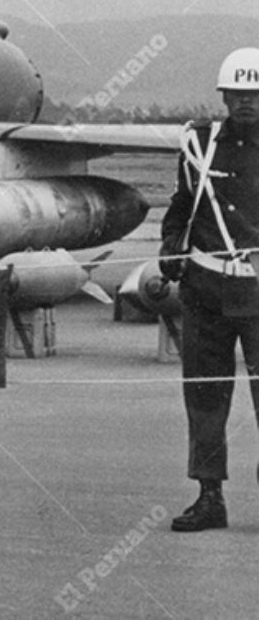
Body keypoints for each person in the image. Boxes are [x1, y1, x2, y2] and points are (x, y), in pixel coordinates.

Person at [158, 47, 259, 532]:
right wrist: (169, 245)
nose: (246, 103)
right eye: (238, 94)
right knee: (204, 396)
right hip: (206, 291)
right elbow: (183, 204)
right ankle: (209, 497)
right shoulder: (200, 143)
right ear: (224, 96)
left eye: (255, 95)